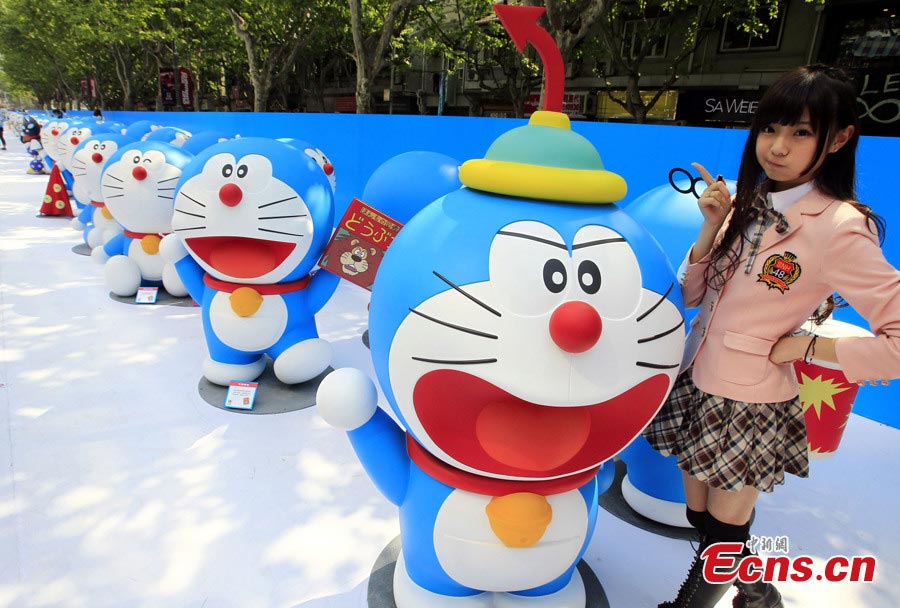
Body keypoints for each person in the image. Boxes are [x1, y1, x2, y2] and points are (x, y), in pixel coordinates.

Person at [643, 63, 900, 608]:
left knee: (721, 529)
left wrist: (807, 348)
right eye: (770, 128)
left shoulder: (840, 228)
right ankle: (759, 590)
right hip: (698, 381)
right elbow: (693, 296)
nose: (778, 146)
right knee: (700, 515)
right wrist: (711, 225)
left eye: (801, 132)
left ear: (839, 139)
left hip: (751, 401)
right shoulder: (748, 201)